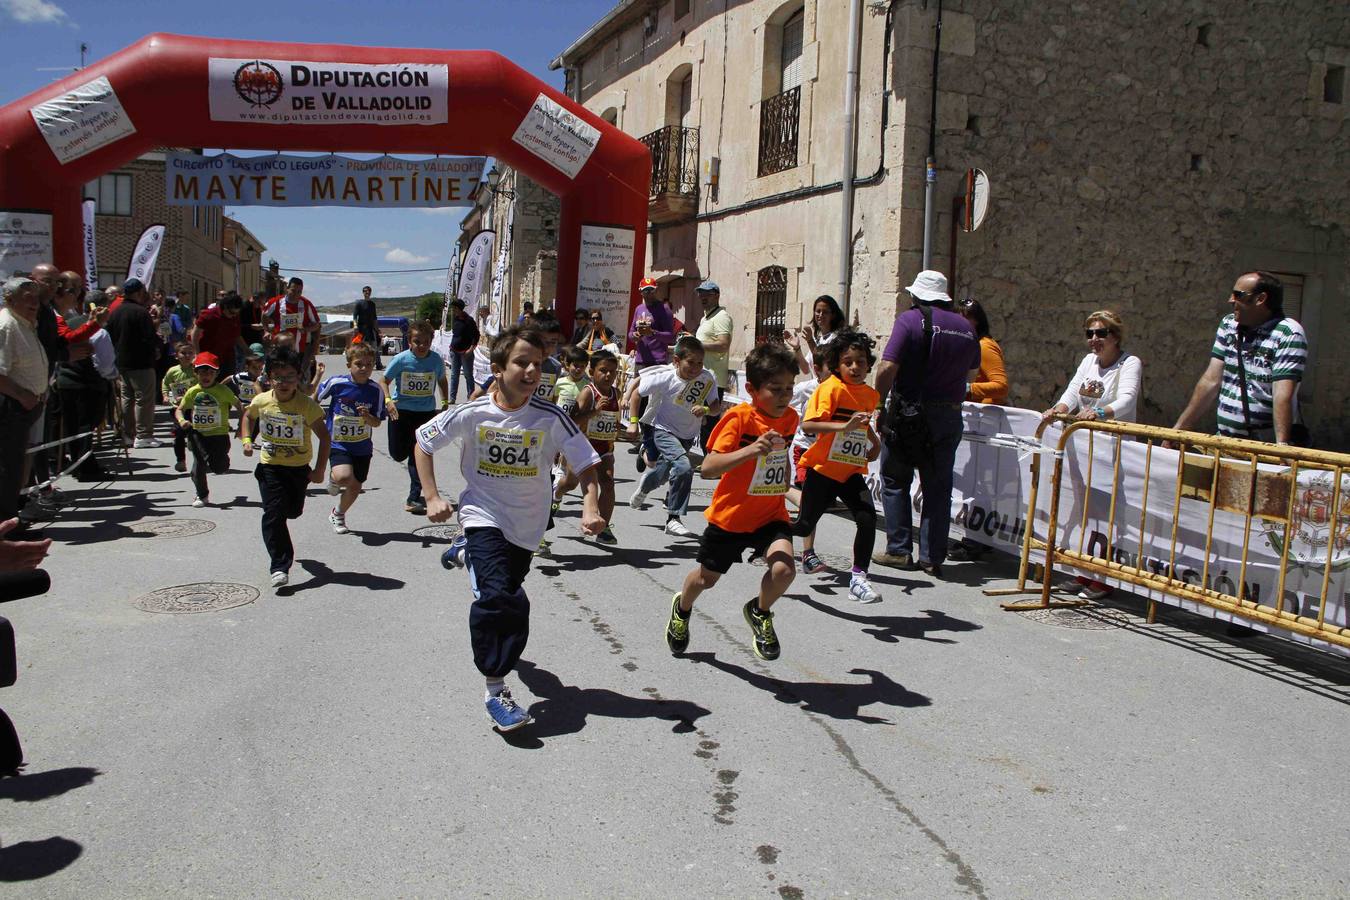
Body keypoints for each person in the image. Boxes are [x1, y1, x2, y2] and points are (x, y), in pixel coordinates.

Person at [415, 326, 605, 733]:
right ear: (498, 369)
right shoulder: (473, 412)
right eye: (522, 362)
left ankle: (467, 554)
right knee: (503, 599)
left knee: (506, 590)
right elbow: (424, 442)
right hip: (483, 513)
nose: (532, 370)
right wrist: (431, 496)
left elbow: (587, 463)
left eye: (538, 363)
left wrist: (589, 505)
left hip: (527, 525)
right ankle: (496, 688)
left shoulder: (550, 416)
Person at [666, 343, 799, 660]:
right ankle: (682, 609)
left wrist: (793, 492)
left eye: (790, 388)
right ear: (752, 389)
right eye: (776, 389)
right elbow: (710, 467)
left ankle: (759, 611)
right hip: (731, 518)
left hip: (770, 515)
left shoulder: (790, 418)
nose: (784, 396)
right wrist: (752, 450)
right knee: (705, 580)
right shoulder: (738, 419)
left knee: (783, 570)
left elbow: (780, 466)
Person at [871, 271, 982, 578]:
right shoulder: (966, 328)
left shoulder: (910, 320)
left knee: (895, 479)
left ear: (917, 296)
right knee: (938, 486)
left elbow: (888, 366)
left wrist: (879, 403)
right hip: (949, 414)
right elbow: (971, 374)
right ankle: (932, 557)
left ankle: (899, 550)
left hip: (911, 412)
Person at [1038, 310, 1143, 601]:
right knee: (1084, 509)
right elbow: (1072, 392)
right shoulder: (1088, 362)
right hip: (1086, 445)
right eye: (1090, 334)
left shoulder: (1129, 363)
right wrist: (1058, 410)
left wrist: (1099, 412)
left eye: (1101, 333)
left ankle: (1104, 577)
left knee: (1107, 514)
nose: (1095, 340)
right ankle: (1082, 569)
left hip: (1113, 448)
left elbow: (1127, 399)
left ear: (1115, 337)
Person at [792, 330, 884, 603]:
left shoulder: (870, 394)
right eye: (848, 362)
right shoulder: (829, 388)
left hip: (850, 470)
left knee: (867, 518)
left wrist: (874, 442)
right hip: (823, 470)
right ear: (837, 364)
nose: (855, 367)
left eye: (861, 361)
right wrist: (843, 426)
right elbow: (808, 425)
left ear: (869, 364)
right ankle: (762, 532)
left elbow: (862, 422)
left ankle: (858, 578)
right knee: (803, 525)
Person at [1171, 271, 1307, 445]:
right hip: (1225, 441)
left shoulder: (1288, 333)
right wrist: (1179, 429)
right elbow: (1210, 381)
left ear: (1260, 299)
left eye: (1238, 295)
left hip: (1263, 446)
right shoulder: (1229, 325)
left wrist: (1281, 447)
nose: (1231, 300)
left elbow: (1282, 394)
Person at [241, 347, 331, 589]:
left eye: (289, 376)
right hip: (270, 467)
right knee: (273, 515)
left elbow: (325, 437)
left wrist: (320, 470)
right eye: (278, 377)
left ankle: (293, 560)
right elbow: (248, 416)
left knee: (292, 512)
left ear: (299, 377)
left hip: (298, 469)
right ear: (269, 378)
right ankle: (280, 566)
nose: (283, 382)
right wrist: (247, 440)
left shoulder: (306, 406)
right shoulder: (262, 401)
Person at [627, 335, 718, 538]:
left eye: (699, 363)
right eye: (690, 362)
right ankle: (673, 518)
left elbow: (715, 407)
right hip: (663, 431)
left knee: (663, 473)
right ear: (676, 360)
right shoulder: (666, 377)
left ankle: (644, 488)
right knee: (684, 467)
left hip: (687, 436)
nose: (695, 368)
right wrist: (633, 423)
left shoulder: (707, 378)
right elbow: (636, 394)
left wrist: (705, 409)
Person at [317, 342, 386, 535]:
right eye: (359, 364)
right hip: (338, 442)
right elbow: (316, 399)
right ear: (349, 365)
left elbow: (377, 422)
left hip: (362, 447)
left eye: (369, 364)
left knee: (355, 487)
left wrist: (367, 417)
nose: (364, 368)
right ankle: (334, 477)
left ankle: (338, 513)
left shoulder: (376, 391)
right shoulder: (337, 383)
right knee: (343, 477)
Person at [382, 320, 448, 515]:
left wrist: (444, 403)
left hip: (425, 413)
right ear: (409, 341)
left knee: (419, 453)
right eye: (417, 341)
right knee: (398, 454)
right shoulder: (401, 359)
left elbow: (442, 380)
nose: (421, 346)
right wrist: (388, 401)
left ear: (431, 342)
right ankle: (415, 492)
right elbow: (383, 380)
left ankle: (414, 496)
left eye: (425, 342)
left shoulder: (435, 360)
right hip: (400, 411)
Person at [0, 277, 49, 524]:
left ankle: (10, 520)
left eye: (36, 297)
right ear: (10, 300)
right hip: (10, 408)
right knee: (7, 469)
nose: (34, 303)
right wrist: (22, 396)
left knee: (15, 467)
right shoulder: (6, 326)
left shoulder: (25, 324)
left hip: (26, 408)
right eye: (26, 298)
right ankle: (6, 526)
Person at [560, 348, 619, 544]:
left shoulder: (616, 393)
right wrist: (594, 412)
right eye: (603, 370)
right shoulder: (588, 393)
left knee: (608, 484)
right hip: (582, 449)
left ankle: (604, 529)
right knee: (570, 484)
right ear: (592, 371)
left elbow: (613, 420)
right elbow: (572, 421)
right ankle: (556, 494)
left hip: (605, 449)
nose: (608, 375)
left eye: (612, 371)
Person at [176, 352, 242, 508]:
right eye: (202, 372)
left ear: (217, 373)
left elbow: (240, 406)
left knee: (219, 467)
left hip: (219, 435)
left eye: (210, 372)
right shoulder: (193, 391)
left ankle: (222, 464)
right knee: (198, 466)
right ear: (196, 373)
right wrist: (182, 420)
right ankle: (202, 494)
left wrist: (241, 425)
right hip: (198, 433)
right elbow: (180, 409)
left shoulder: (223, 391)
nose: (206, 376)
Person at [105, 278, 162, 448]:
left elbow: (110, 335)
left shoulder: (115, 311)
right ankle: (144, 434)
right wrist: (156, 349)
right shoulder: (140, 312)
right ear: (138, 293)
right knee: (143, 398)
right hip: (141, 362)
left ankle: (128, 433)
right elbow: (149, 337)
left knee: (127, 397)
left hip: (122, 361)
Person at [693, 280, 734, 450]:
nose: (703, 297)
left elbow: (724, 345)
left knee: (709, 421)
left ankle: (710, 458)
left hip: (714, 379)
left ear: (716, 295)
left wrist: (697, 345)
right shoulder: (705, 318)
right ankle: (706, 457)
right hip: (702, 376)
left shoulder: (722, 317)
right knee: (700, 419)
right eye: (700, 294)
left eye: (707, 294)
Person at [263, 278, 322, 377]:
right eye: (293, 291)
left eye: (299, 292)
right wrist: (266, 330)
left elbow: (317, 325)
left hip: (298, 350)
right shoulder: (276, 302)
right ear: (287, 288)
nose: (296, 294)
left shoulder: (306, 304)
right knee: (277, 376)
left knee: (295, 377)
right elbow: (264, 316)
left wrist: (306, 330)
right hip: (278, 350)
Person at [958, 298, 1009, 404]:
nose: (960, 322)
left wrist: (968, 389)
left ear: (977, 321)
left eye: (966, 318)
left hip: (983, 416)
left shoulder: (984, 346)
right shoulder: (970, 344)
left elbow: (1001, 386)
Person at [162, 342, 200, 473]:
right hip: (178, 408)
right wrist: (166, 396)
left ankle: (199, 460)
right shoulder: (173, 371)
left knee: (196, 433)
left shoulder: (197, 369)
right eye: (183, 353)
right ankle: (181, 460)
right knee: (178, 434)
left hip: (194, 407)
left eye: (190, 353)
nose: (187, 355)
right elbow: (165, 384)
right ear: (176, 355)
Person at [628, 278, 677, 371]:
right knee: (638, 386)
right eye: (646, 290)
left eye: (651, 290)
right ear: (640, 291)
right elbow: (631, 332)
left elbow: (670, 337)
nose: (649, 293)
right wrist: (634, 336)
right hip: (640, 360)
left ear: (656, 290)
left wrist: (653, 333)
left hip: (657, 361)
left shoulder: (664, 309)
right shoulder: (639, 309)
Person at [791, 294, 847, 375]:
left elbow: (823, 365)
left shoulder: (837, 338)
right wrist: (797, 348)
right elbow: (806, 369)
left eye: (825, 312)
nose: (820, 315)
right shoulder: (818, 340)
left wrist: (810, 341)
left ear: (833, 315)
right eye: (818, 311)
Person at [446, 298, 480, 403]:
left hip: (466, 352)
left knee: (468, 375)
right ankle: (452, 398)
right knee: (454, 375)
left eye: (454, 308)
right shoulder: (455, 319)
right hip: (454, 351)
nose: (453, 310)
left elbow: (476, 335)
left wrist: (471, 349)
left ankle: (471, 397)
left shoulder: (469, 320)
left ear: (459, 308)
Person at [351, 285, 382, 367]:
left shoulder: (372, 304)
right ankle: (356, 363)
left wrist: (377, 329)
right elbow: (354, 316)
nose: (366, 292)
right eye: (365, 291)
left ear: (370, 292)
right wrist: (355, 326)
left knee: (374, 348)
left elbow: (374, 318)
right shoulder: (359, 303)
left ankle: (378, 364)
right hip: (361, 329)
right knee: (358, 347)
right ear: (363, 293)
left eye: (368, 291)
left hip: (370, 329)